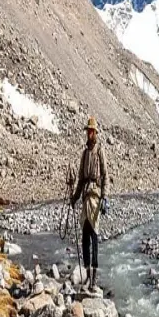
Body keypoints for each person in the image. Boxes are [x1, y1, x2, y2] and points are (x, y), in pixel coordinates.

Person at [71, 116, 108, 290]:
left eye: (91, 131)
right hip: (86, 198)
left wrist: (105, 197)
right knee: (85, 237)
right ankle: (87, 274)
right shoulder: (85, 153)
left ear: (95, 133)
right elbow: (80, 179)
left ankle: (94, 278)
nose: (89, 134)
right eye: (88, 131)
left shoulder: (100, 151)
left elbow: (105, 175)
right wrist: (75, 197)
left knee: (94, 236)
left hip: (95, 198)